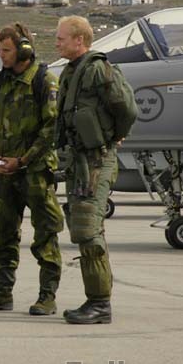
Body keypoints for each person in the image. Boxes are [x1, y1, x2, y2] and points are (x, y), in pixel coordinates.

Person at [0, 23, 64, 316]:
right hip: (4, 173)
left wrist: (23, 160)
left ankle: (46, 297)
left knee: (45, 235)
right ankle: (2, 294)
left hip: (35, 171)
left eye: (6, 49)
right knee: (3, 235)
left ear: (24, 49)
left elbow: (51, 128)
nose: (1, 55)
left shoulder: (43, 81)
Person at [54, 16, 137, 324]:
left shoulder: (98, 69)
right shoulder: (71, 72)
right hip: (79, 161)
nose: (57, 42)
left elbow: (126, 108)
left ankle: (100, 303)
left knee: (88, 230)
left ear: (80, 40)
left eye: (62, 38)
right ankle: (97, 300)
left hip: (97, 160)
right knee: (81, 228)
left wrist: (114, 135)